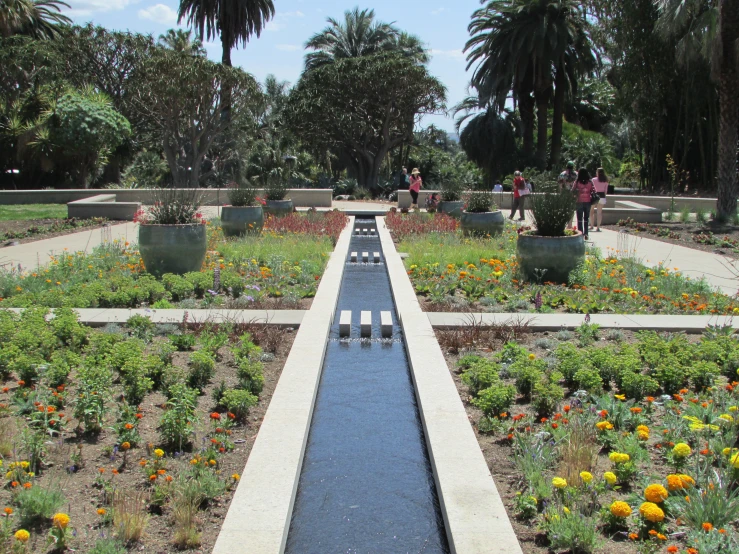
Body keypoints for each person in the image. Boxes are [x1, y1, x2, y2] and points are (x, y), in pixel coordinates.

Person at [571, 167, 596, 239]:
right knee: (586, 218)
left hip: (579, 201)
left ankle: (580, 233)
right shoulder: (590, 182)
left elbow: (572, 190)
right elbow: (594, 190)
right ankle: (586, 234)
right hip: (588, 201)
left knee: (579, 218)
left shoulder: (577, 181)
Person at [589, 167, 609, 232]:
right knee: (599, 212)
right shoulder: (606, 180)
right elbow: (605, 191)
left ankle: (591, 226)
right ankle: (598, 227)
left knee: (591, 211)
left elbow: (591, 188)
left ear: (597, 172)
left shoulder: (593, 179)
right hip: (602, 196)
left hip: (595, 196)